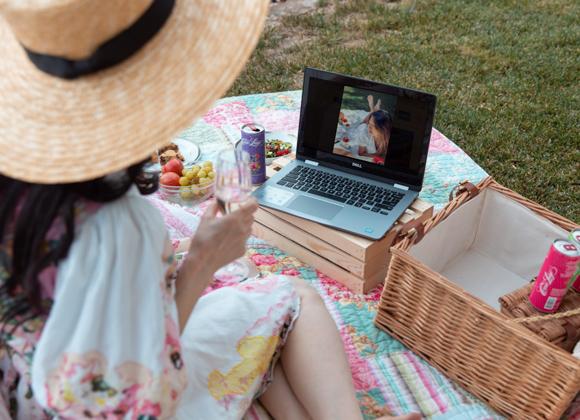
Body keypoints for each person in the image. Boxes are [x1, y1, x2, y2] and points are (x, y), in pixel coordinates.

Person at [0, 1, 422, 419]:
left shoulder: (21, 179)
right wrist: (200, 264)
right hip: (124, 395)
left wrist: (187, 257)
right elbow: (138, 397)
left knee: (242, 279)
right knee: (293, 295)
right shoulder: (118, 225)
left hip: (27, 389)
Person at [356, 95, 393, 161]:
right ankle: (372, 110)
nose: (369, 127)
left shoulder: (389, 138)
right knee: (363, 124)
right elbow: (361, 153)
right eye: (369, 124)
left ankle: (374, 111)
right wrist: (380, 156)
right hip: (364, 132)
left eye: (373, 126)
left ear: (383, 129)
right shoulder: (364, 134)